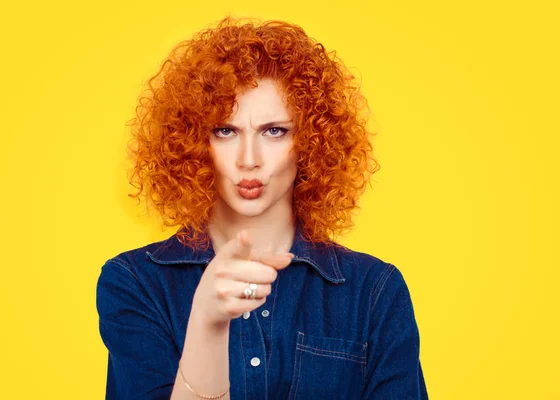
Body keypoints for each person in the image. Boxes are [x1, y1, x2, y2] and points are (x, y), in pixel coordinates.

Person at [96, 15, 428, 400]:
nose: (248, 159)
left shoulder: (372, 292)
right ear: (192, 142)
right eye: (225, 131)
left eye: (274, 131)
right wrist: (206, 322)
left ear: (311, 141)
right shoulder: (136, 284)